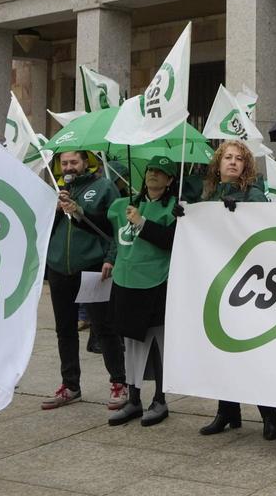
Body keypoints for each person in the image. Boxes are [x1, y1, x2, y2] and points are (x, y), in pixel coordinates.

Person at [198, 140, 276, 441]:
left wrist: (243, 212)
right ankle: (227, 411)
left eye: (238, 159)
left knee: (253, 351)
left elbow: (264, 222)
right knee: (221, 349)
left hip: (249, 283)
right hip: (217, 279)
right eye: (227, 158)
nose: (232, 162)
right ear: (218, 164)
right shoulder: (206, 194)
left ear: (246, 165)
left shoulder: (253, 193)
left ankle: (268, 415)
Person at [42, 151, 126, 410]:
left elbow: (115, 227)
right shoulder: (55, 192)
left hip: (91, 267)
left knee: (104, 328)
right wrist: (54, 210)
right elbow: (41, 229)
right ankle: (70, 385)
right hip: (59, 269)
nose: (69, 167)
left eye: (74, 162)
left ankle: (119, 384)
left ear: (85, 163)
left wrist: (110, 258)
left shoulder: (103, 187)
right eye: (65, 163)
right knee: (64, 330)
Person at [107, 156, 179, 427]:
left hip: (157, 283)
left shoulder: (174, 207)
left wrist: (142, 223)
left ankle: (160, 399)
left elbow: (171, 240)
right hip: (126, 282)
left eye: (162, 172)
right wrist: (77, 212)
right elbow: (105, 229)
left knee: (159, 344)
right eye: (151, 170)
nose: (153, 175)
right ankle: (134, 399)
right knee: (131, 344)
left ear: (170, 180)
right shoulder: (125, 205)